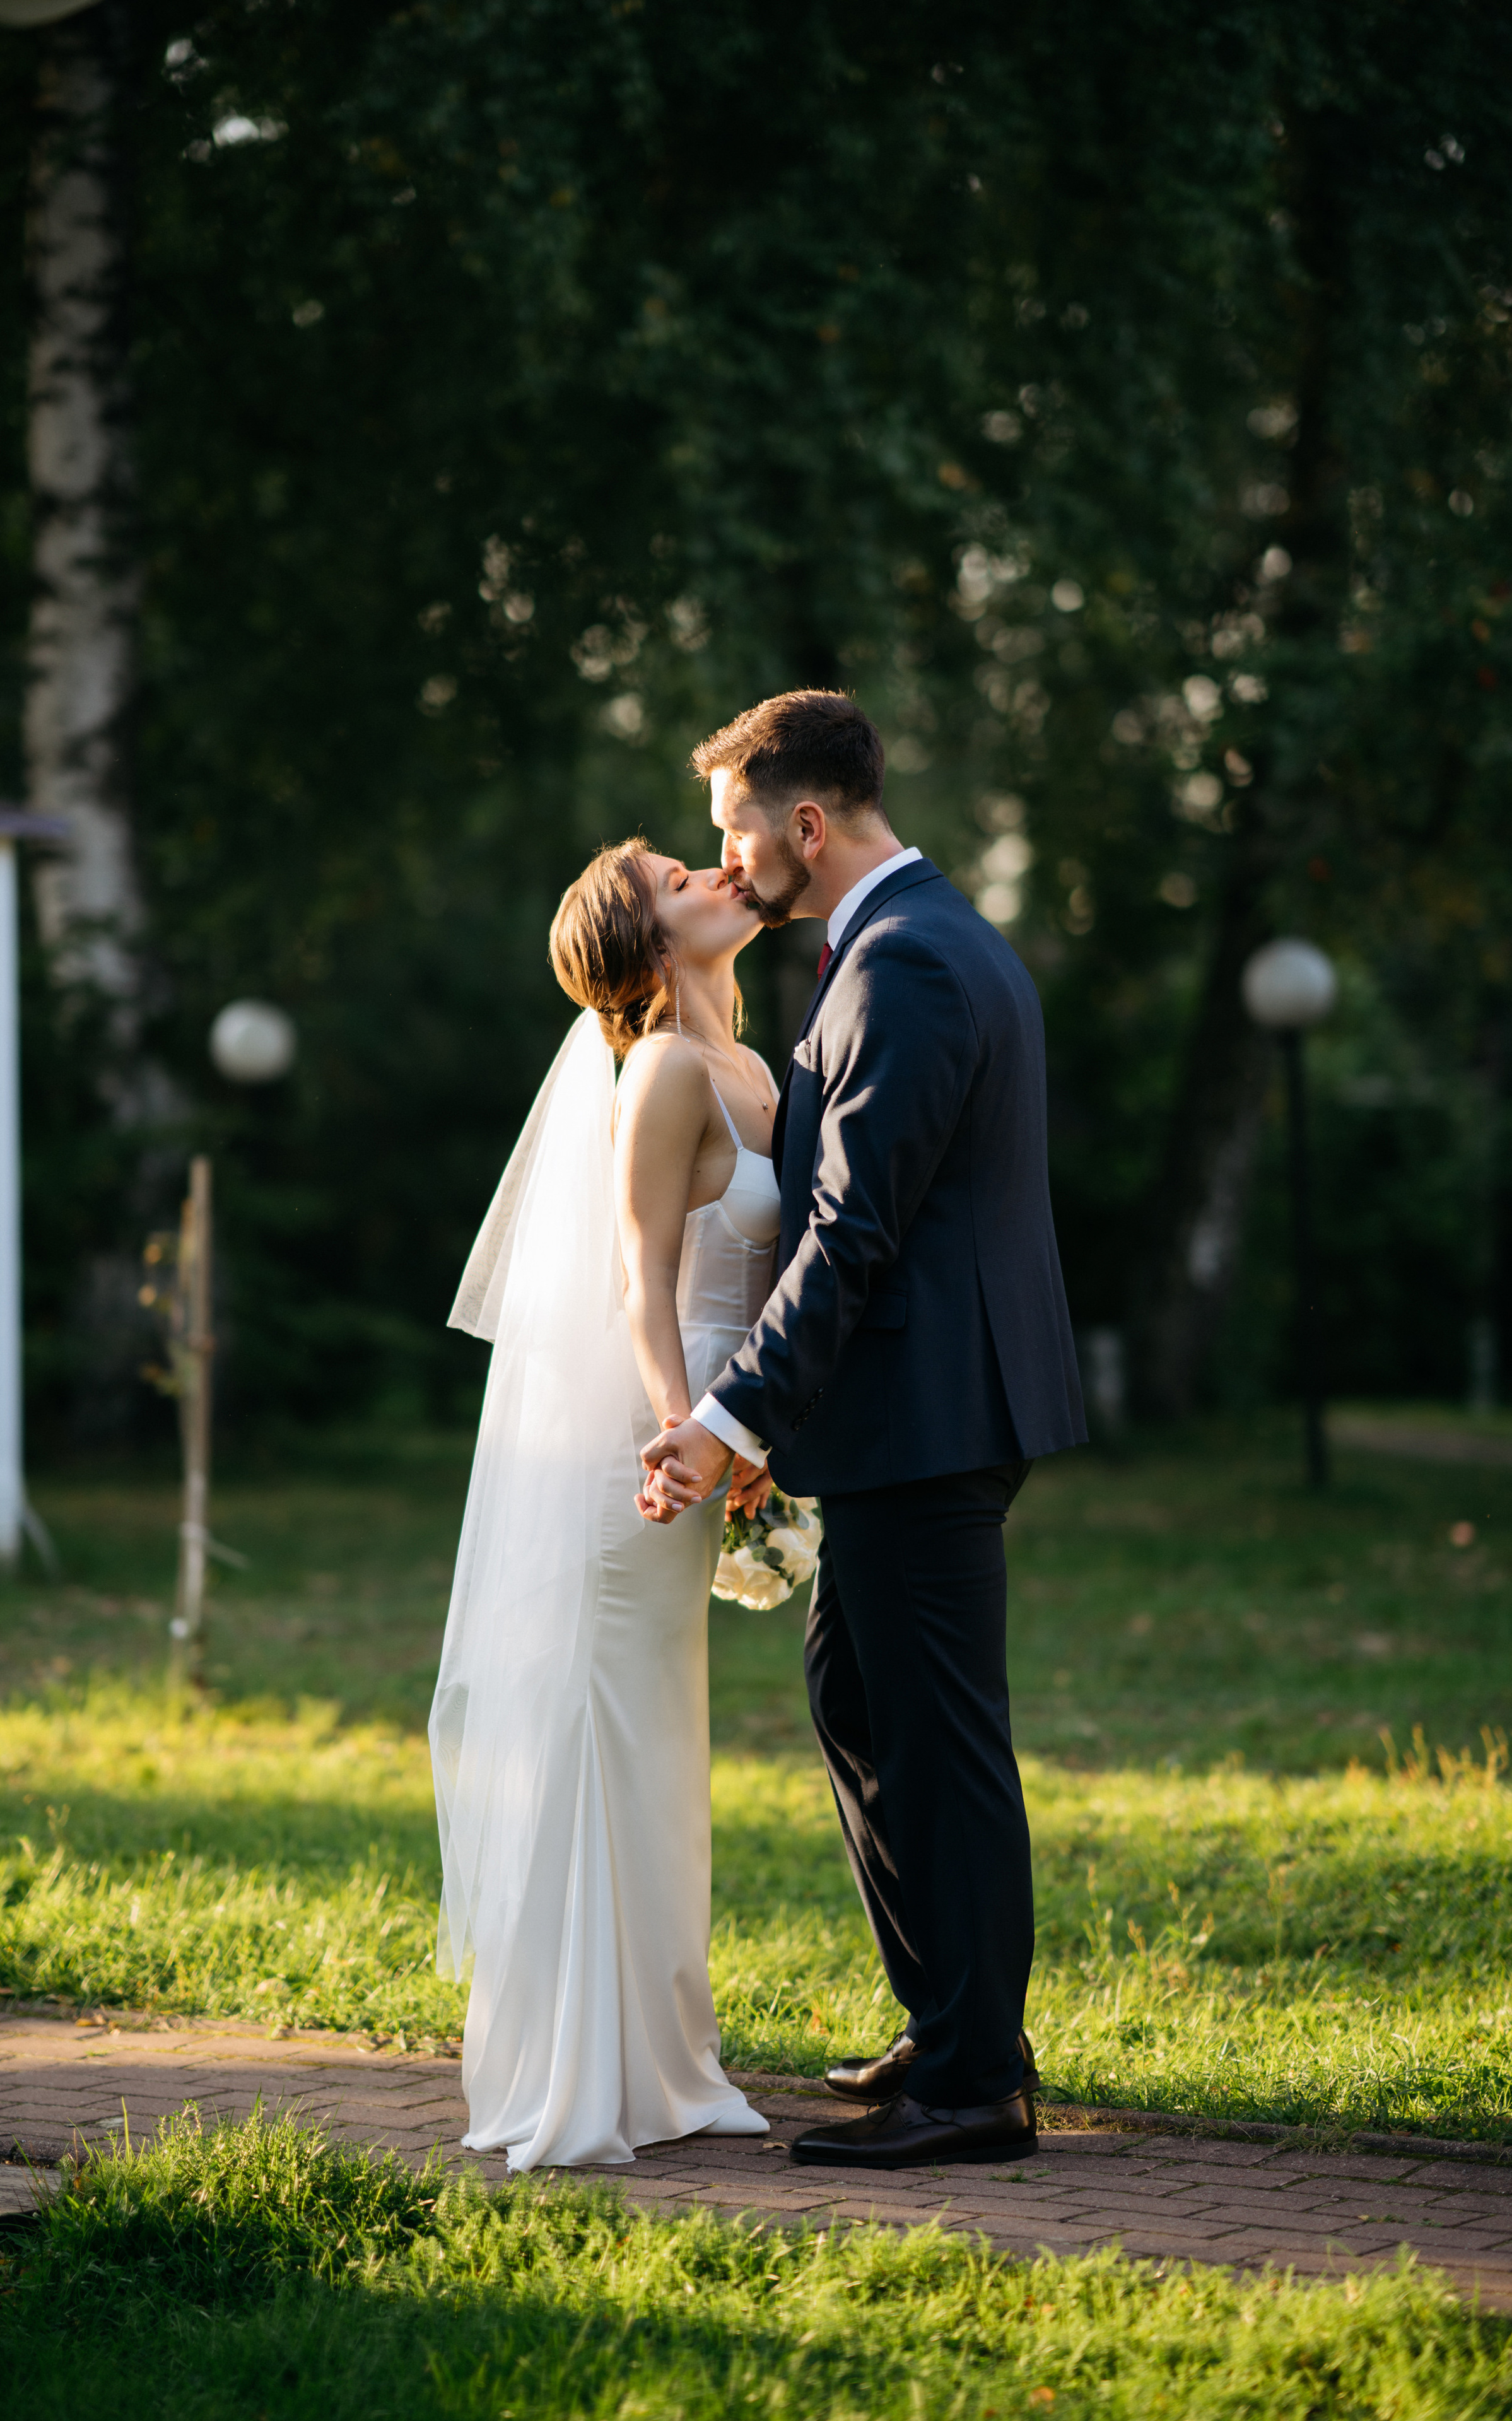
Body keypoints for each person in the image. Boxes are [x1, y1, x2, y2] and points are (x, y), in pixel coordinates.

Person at [640, 689, 1087, 2171]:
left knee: (940, 1742)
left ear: (804, 825)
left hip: (930, 1410)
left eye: (734, 833)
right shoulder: (909, 945)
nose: (730, 860)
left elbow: (853, 1235)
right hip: (918, 1408)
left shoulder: (904, 965)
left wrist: (723, 1419)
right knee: (860, 1701)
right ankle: (951, 2025)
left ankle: (975, 2083)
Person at [430, 840, 778, 2170]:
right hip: (637, 1459)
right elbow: (641, 1280)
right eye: (678, 870)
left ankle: (669, 2064)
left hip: (705, 1446)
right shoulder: (665, 1071)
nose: (714, 868)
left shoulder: (751, 1063)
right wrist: (686, 1427)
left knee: (659, 1752)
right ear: (645, 941)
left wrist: (752, 1435)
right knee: (601, 1738)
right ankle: (579, 2073)